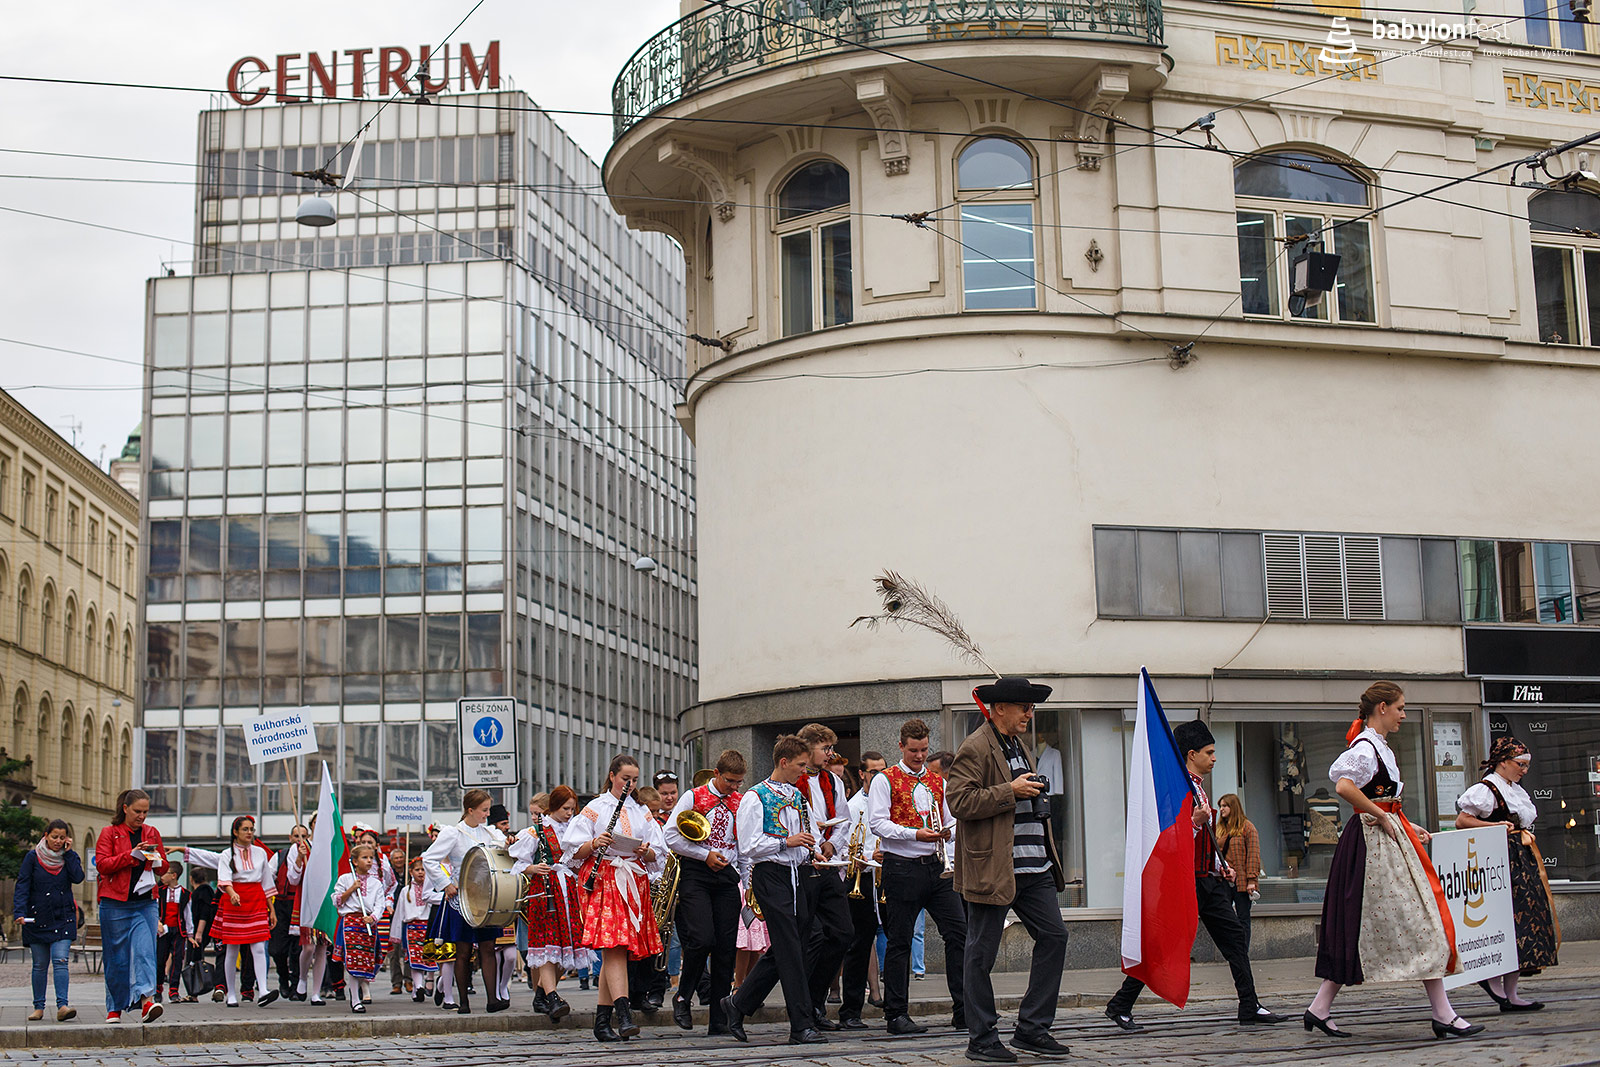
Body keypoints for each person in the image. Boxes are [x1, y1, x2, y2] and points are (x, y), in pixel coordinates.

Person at [1306, 681, 1483, 1039]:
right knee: (1418, 922)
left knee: (1392, 923)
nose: (1403, 714)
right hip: (1371, 846)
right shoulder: (1366, 747)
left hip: (1385, 840)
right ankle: (1442, 1014)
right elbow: (1344, 787)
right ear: (1382, 708)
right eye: (1400, 708)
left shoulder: (1380, 747)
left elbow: (1382, 801)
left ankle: (1319, 1008)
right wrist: (1381, 816)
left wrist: (1404, 823)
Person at [1105, 720, 1283, 1032]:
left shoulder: (1198, 787)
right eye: (1209, 752)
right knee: (1163, 945)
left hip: (1206, 881)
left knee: (1235, 939)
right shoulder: (1177, 788)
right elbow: (1166, 839)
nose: (1214, 758)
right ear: (1191, 754)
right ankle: (1120, 1004)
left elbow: (1203, 841)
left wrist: (1220, 866)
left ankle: (1249, 1004)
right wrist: (1195, 823)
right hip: (1183, 882)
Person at [948, 677, 1068, 1063]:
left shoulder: (1018, 744)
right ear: (1000, 708)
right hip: (995, 868)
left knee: (1055, 936)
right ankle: (981, 1038)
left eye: (1032, 707)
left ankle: (1032, 1029)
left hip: (1035, 866)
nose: (1030, 714)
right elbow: (958, 801)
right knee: (980, 954)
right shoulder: (976, 745)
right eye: (1024, 707)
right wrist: (1010, 791)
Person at [721, 734, 830, 1046]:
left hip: (797, 874)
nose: (804, 770)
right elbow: (749, 845)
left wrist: (814, 851)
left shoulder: (798, 796)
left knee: (797, 943)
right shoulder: (755, 797)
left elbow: (808, 833)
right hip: (770, 875)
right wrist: (786, 842)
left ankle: (738, 1002)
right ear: (784, 762)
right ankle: (801, 1024)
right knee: (790, 947)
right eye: (800, 765)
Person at [869, 718, 966, 1035]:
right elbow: (877, 824)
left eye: (924, 749)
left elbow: (953, 820)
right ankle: (896, 1014)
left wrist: (948, 833)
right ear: (901, 747)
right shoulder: (885, 780)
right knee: (900, 941)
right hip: (902, 867)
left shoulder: (938, 782)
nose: (920, 756)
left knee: (959, 934)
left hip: (937, 867)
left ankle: (964, 1009)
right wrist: (914, 834)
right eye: (913, 750)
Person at [567, 754, 667, 1042]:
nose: (630, 784)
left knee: (617, 952)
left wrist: (645, 851)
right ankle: (623, 1016)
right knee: (614, 947)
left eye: (634, 779)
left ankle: (602, 1021)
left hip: (632, 880)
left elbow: (657, 853)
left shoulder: (641, 810)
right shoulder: (595, 808)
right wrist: (594, 843)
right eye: (625, 778)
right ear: (612, 776)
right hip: (604, 880)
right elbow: (572, 851)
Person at [1455, 735, 1558, 1011]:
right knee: (1504, 921)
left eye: (1526, 765)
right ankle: (1494, 982)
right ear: (1502, 762)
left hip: (1520, 859)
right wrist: (1494, 827)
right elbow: (1462, 821)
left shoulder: (1514, 789)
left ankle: (1511, 993)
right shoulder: (1487, 789)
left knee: (1522, 922)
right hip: (1498, 861)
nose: (1523, 770)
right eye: (1519, 764)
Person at [664, 749, 745, 1035]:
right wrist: (704, 854)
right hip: (697, 873)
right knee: (701, 938)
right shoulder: (693, 796)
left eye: (738, 782)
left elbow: (744, 846)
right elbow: (670, 836)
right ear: (716, 773)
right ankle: (683, 996)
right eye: (730, 781)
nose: (734, 787)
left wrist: (746, 882)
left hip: (727, 876)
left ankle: (719, 1019)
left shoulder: (741, 801)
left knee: (725, 948)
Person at [422, 789, 509, 1015]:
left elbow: (505, 850)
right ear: (470, 810)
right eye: (484, 810)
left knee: (488, 947)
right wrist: (445, 884)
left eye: (488, 810)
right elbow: (429, 859)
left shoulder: (489, 832)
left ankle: (493, 999)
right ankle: (463, 1002)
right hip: (462, 898)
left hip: (486, 897)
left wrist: (510, 843)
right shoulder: (454, 833)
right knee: (463, 950)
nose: (487, 814)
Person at [509, 784, 585, 1022]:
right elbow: (517, 863)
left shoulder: (574, 829)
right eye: (565, 808)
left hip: (568, 890)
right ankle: (552, 997)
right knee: (547, 944)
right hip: (545, 891)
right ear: (553, 807)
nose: (569, 813)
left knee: (565, 946)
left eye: (572, 809)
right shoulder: (536, 831)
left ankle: (541, 995)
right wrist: (533, 868)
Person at [796, 723, 854, 1032]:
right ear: (808, 749)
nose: (830, 754)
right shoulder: (794, 780)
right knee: (811, 937)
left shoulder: (832, 780)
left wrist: (833, 844)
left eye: (831, 748)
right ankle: (804, 1005)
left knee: (843, 932)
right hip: (803, 865)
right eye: (825, 749)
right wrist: (815, 845)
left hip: (828, 863)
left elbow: (843, 819)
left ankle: (815, 1000)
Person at [96, 788, 167, 1025]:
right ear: (125, 808)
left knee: (146, 952)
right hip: (114, 904)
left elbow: (164, 867)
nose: (142, 816)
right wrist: (131, 855)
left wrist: (156, 860)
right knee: (117, 958)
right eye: (138, 811)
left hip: (145, 903)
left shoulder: (151, 832)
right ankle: (115, 1008)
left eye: (146, 812)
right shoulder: (109, 833)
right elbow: (102, 865)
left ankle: (147, 1001)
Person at [13, 819, 83, 1022]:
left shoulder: (69, 857)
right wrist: (19, 911)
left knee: (60, 960)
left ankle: (62, 1006)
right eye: (54, 837)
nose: (58, 841)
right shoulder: (32, 857)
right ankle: (39, 1007)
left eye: (62, 837)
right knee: (40, 965)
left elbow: (78, 877)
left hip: (63, 917)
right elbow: (22, 885)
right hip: (37, 917)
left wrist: (69, 854)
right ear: (46, 836)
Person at [841, 751, 886, 1027]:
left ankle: (896, 1006)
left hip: (888, 877)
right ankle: (851, 1011)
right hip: (864, 878)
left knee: (897, 940)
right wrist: (870, 856)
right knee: (859, 945)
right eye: (874, 772)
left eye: (883, 771)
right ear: (862, 774)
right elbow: (847, 847)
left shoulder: (890, 799)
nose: (879, 777)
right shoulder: (854, 805)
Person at [333, 843, 388, 1013]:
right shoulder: (345, 879)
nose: (369, 861)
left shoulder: (376, 883)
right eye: (365, 857)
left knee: (365, 961)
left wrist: (373, 918)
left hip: (368, 924)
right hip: (351, 923)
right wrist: (351, 889)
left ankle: (359, 994)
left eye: (371, 858)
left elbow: (380, 904)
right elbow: (336, 900)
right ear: (355, 861)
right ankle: (355, 999)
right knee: (353, 960)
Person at [1217, 794, 1261, 951]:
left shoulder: (1247, 827)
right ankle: (1231, 950)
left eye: (1225, 806)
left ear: (1233, 807)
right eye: (1220, 806)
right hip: (1223, 880)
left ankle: (1242, 952)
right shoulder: (1220, 829)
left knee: (1243, 918)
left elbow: (1253, 854)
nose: (1221, 809)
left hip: (1242, 881)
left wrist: (1252, 880)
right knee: (1224, 917)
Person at [394, 856, 442, 1002]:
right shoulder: (405, 891)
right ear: (411, 872)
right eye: (417, 870)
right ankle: (419, 986)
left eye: (423, 870)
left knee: (429, 958)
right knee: (414, 959)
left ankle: (424, 983)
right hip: (412, 928)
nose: (421, 872)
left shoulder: (433, 890)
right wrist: (396, 933)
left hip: (428, 926)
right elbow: (400, 912)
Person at [270, 825, 309, 999]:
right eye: (296, 836)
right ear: (290, 837)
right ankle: (283, 977)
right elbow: (268, 877)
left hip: (301, 904)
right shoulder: (279, 856)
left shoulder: (311, 854)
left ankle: (295, 985)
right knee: (277, 949)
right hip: (281, 905)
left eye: (304, 836)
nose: (300, 839)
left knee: (297, 949)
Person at [154, 866, 188, 1003]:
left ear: (174, 875)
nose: (161, 876)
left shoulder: (185, 893)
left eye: (165, 873)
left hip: (178, 930)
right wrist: (157, 922)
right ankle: (158, 988)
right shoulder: (160, 892)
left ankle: (174, 989)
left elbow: (187, 914)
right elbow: (154, 908)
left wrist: (190, 934)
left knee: (177, 959)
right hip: (163, 930)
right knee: (160, 959)